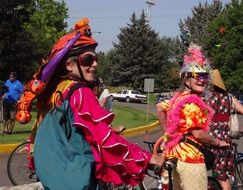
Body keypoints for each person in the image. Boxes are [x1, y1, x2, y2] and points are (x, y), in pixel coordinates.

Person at [19, 18, 163, 189]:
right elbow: (106, 140)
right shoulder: (79, 92)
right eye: (87, 59)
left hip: (55, 179)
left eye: (95, 59)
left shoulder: (56, 90)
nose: (95, 64)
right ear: (69, 65)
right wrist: (148, 159)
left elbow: (74, 131)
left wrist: (108, 128)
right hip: (76, 181)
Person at [156, 43, 229, 190]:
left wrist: (167, 132)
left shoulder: (177, 98)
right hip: (191, 160)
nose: (202, 80)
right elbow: (198, 133)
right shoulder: (192, 104)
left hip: (174, 157)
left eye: (205, 76)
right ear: (187, 80)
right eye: (198, 76)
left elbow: (159, 108)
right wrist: (217, 142)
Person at [206, 69, 243, 190]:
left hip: (209, 139)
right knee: (222, 176)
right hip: (225, 140)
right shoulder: (229, 97)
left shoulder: (206, 97)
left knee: (217, 178)